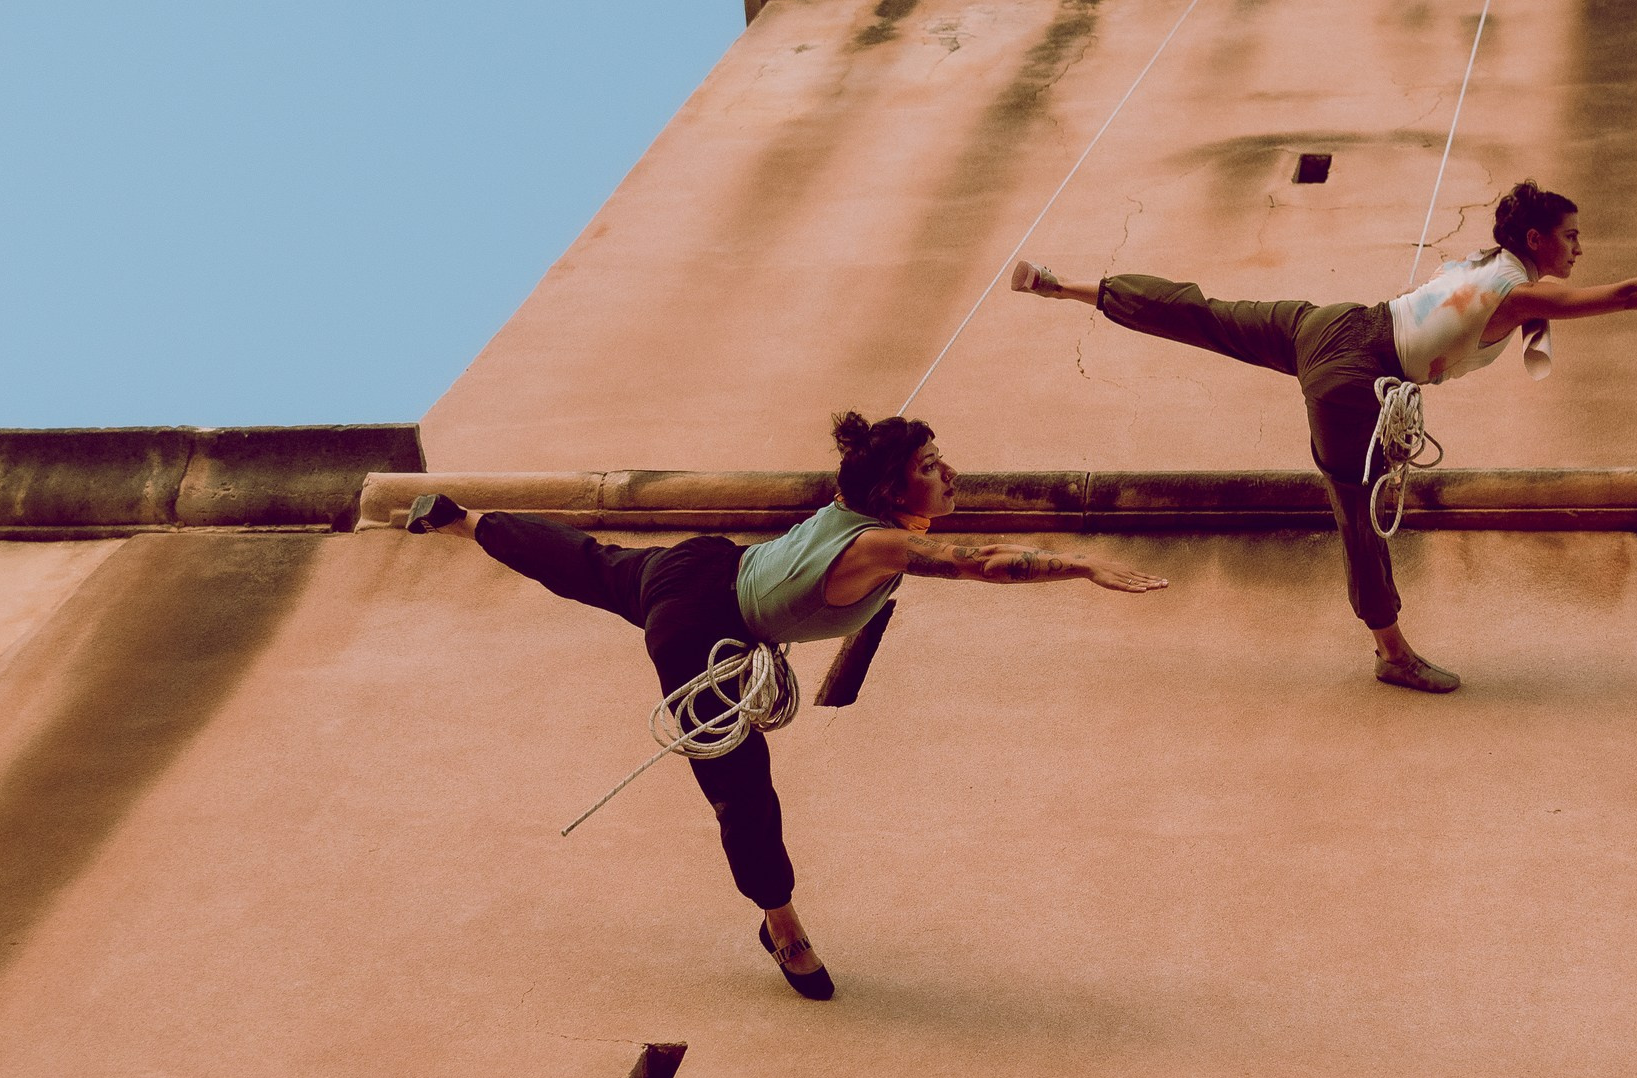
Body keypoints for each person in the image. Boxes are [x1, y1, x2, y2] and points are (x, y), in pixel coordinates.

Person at [404, 411, 1165, 1001]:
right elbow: (986, 564)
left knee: (588, 564)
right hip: (702, 626)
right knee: (742, 791)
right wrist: (1082, 565)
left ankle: (463, 520)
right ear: (891, 490)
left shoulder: (853, 507)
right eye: (931, 465)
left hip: (701, 564)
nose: (951, 472)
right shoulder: (879, 545)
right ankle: (782, 924)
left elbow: (874, 503)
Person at [1011, 180, 1637, 692]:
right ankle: (1393, 655)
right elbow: (1631, 295)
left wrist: (1530, 323)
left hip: (1327, 322)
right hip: (1358, 374)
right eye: (1572, 237)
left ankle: (1066, 285)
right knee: (1359, 513)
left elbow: (1497, 303)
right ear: (1539, 238)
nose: (1580, 250)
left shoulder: (1485, 263)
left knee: (1204, 313)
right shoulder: (1515, 295)